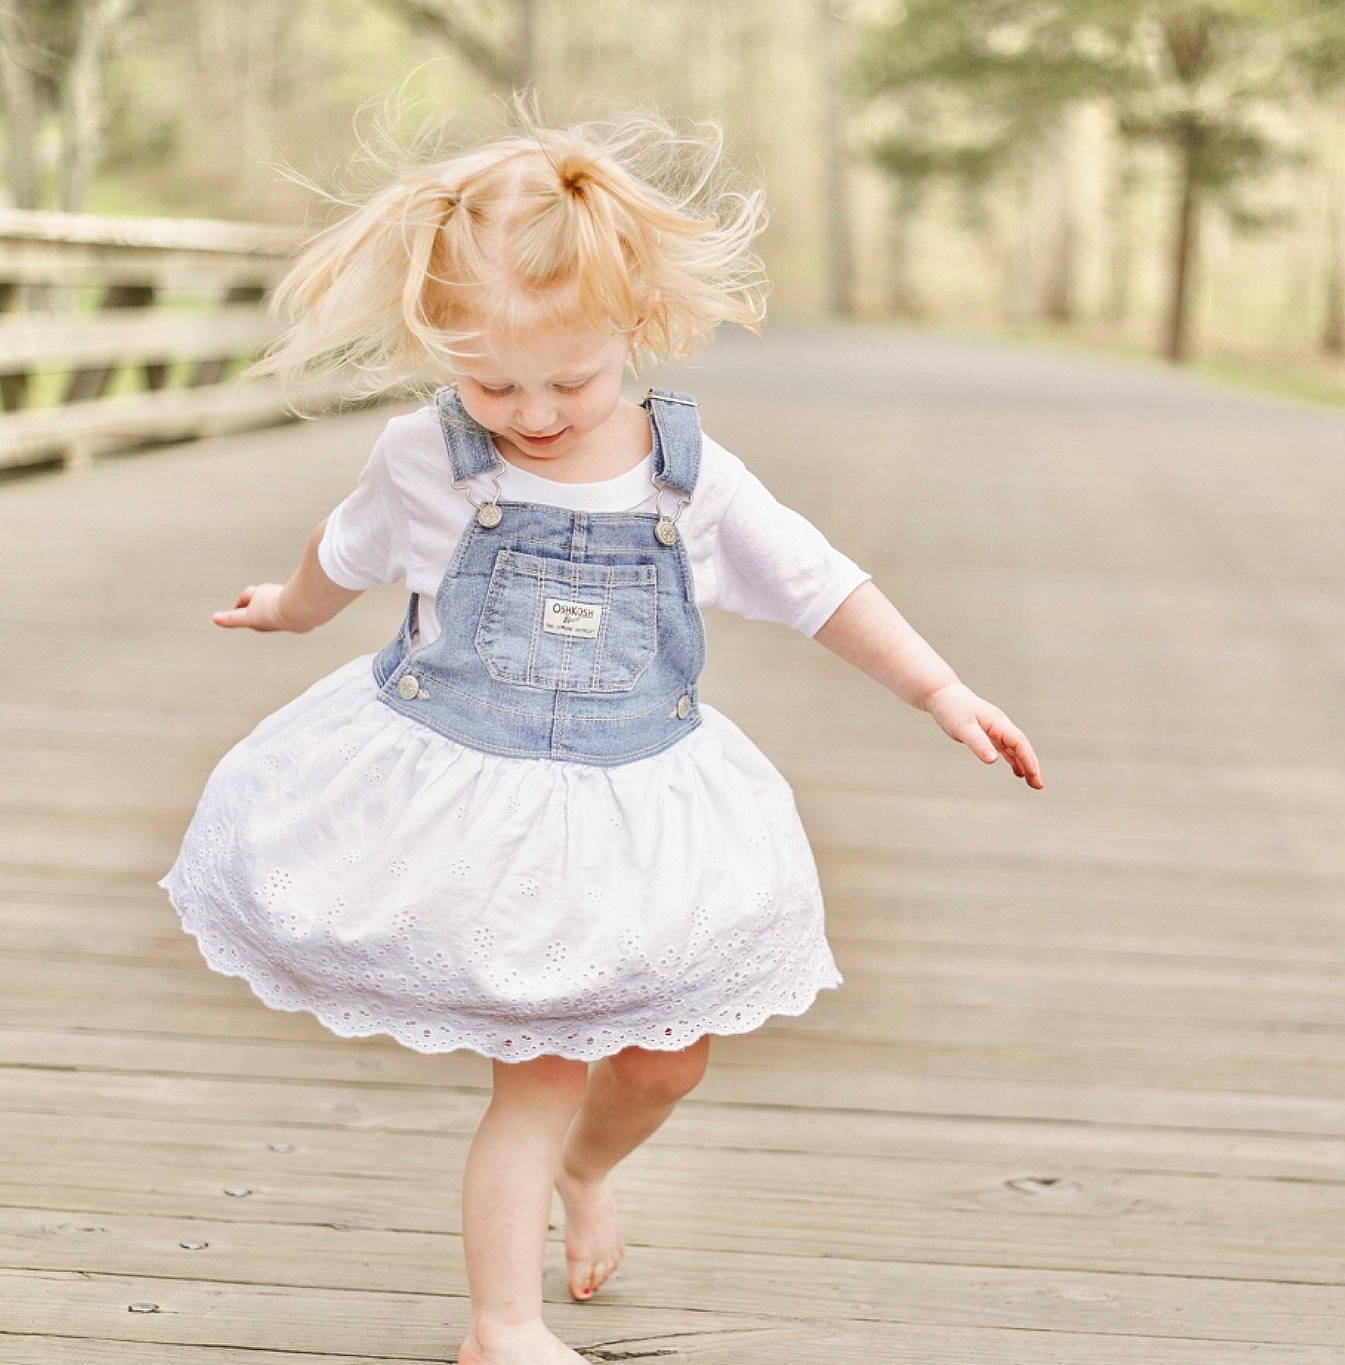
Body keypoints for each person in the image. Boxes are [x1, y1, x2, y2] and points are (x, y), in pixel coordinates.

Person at [156, 97, 1044, 1365]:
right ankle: (500, 1325)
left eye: (568, 381)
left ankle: (588, 1171)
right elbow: (343, 551)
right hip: (480, 808)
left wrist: (940, 690)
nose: (530, 414)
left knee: (665, 1065)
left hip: (638, 807)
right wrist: (289, 610)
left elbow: (817, 584)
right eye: (488, 383)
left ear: (633, 324)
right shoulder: (426, 458)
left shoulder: (690, 477)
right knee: (539, 1071)